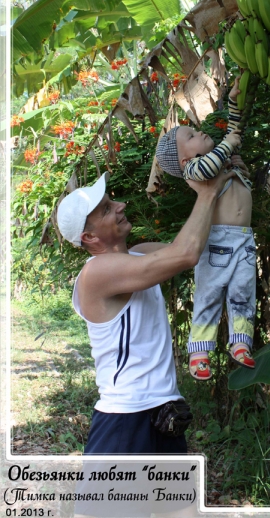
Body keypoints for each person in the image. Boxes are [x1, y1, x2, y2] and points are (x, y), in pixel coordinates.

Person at [56, 165, 233, 454]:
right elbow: (185, 254)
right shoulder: (96, 274)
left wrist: (222, 178)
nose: (120, 206)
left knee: (170, 501)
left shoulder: (141, 254)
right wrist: (207, 191)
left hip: (164, 411)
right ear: (89, 237)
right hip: (125, 419)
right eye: (105, 209)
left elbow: (194, 246)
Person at [156, 77, 256, 381]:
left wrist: (235, 102)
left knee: (243, 292)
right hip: (218, 242)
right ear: (185, 157)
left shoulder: (221, 160)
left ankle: (241, 343)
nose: (199, 131)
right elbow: (214, 161)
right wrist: (228, 146)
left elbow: (233, 132)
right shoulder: (194, 170)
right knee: (210, 294)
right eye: (191, 135)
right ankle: (199, 351)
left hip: (244, 240)